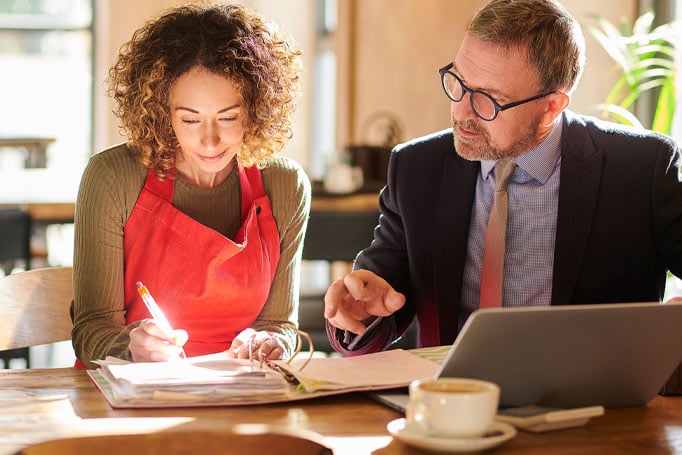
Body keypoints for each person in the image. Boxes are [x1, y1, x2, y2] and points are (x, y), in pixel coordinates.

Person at [324, 0, 682, 356]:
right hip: (450, 401)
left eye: (488, 100)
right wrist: (360, 314)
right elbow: (381, 294)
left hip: (596, 403)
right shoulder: (417, 168)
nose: (462, 112)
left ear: (552, 106)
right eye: (459, 83)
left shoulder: (641, 169)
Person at [71, 3, 310, 369]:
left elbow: (280, 324)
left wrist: (271, 341)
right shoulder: (112, 177)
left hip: (243, 394)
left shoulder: (284, 185)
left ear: (256, 109)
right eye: (190, 119)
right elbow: (90, 332)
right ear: (162, 113)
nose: (210, 141)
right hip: (133, 395)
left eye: (228, 118)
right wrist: (129, 345)